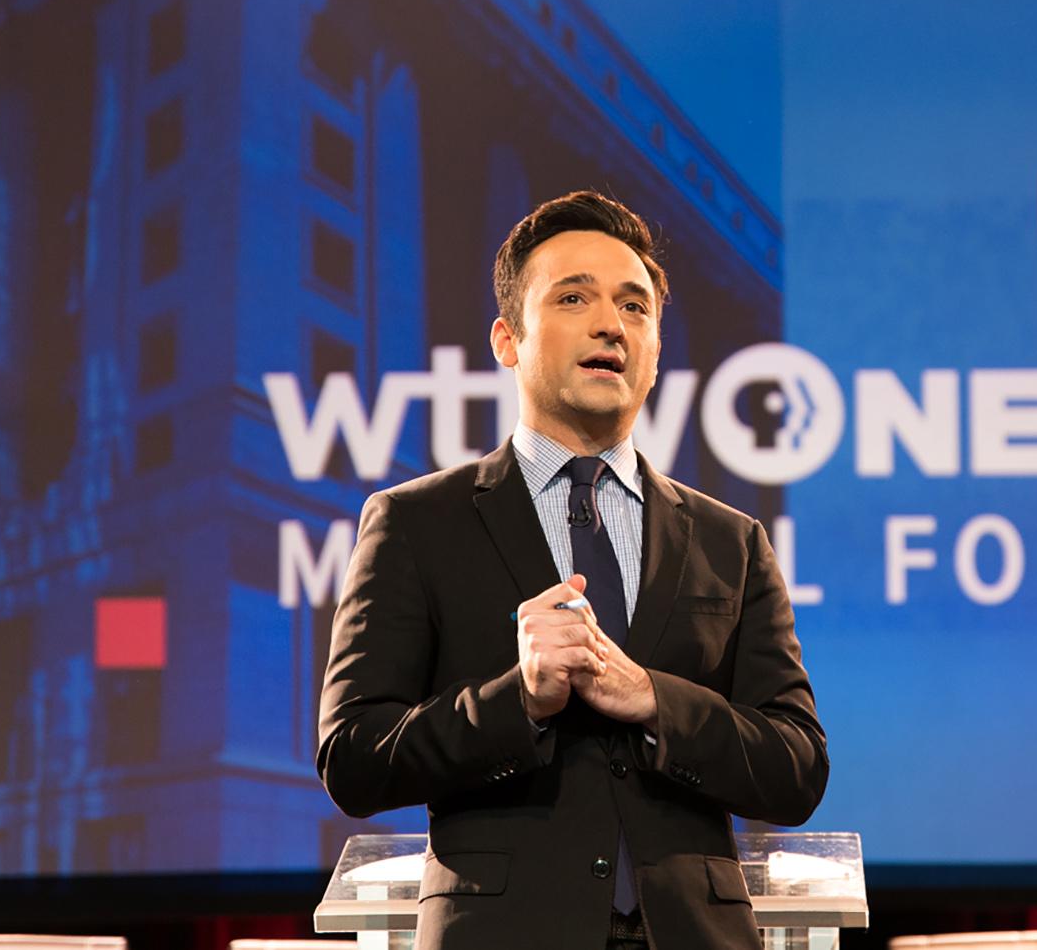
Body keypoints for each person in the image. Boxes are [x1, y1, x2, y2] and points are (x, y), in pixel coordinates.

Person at [316, 191, 829, 950]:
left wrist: (654, 698)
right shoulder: (417, 524)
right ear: (507, 339)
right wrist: (516, 699)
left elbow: (796, 765)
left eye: (635, 307)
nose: (610, 324)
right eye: (573, 297)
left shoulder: (732, 540)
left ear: (655, 353)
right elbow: (353, 758)